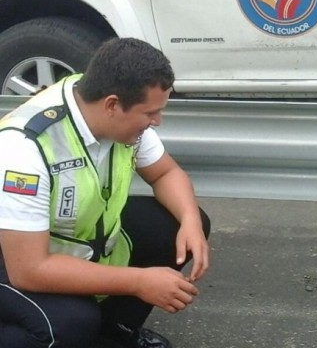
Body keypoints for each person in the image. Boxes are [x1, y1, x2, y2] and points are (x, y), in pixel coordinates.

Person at [0, 38, 211, 347]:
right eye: (150, 113)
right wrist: (140, 282)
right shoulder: (25, 147)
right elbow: (29, 269)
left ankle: (115, 334)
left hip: (68, 244)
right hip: (13, 259)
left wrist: (191, 221)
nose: (157, 121)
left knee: (178, 223)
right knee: (70, 322)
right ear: (112, 104)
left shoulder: (104, 107)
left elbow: (166, 173)